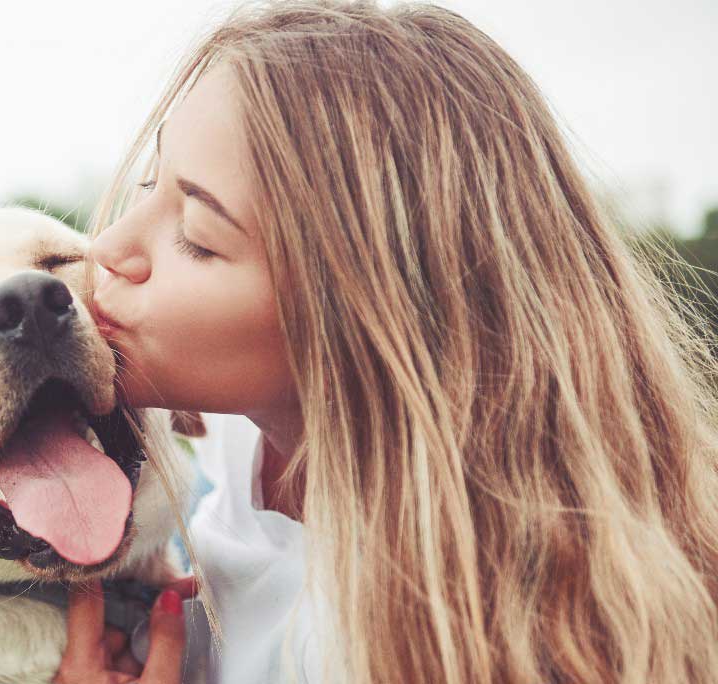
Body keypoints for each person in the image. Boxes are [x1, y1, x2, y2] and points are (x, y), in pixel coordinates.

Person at [53, 1, 718, 682]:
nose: (109, 245)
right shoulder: (252, 439)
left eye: (195, 233)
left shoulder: (434, 645)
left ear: (358, 315)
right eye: (149, 181)